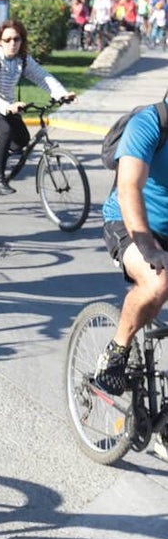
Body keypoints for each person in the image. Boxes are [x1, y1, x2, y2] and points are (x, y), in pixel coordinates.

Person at [94, 97, 168, 394]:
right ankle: (117, 349)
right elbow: (128, 188)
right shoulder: (148, 124)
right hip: (129, 222)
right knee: (159, 280)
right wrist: (148, 247)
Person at [0, 19, 75, 196]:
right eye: (7, 40)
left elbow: (43, 77)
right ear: (0, 41)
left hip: (6, 104)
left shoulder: (22, 60)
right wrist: (8, 107)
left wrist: (61, 94)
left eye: (16, 39)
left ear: (22, 41)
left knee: (22, 140)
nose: (12, 44)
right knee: (6, 131)